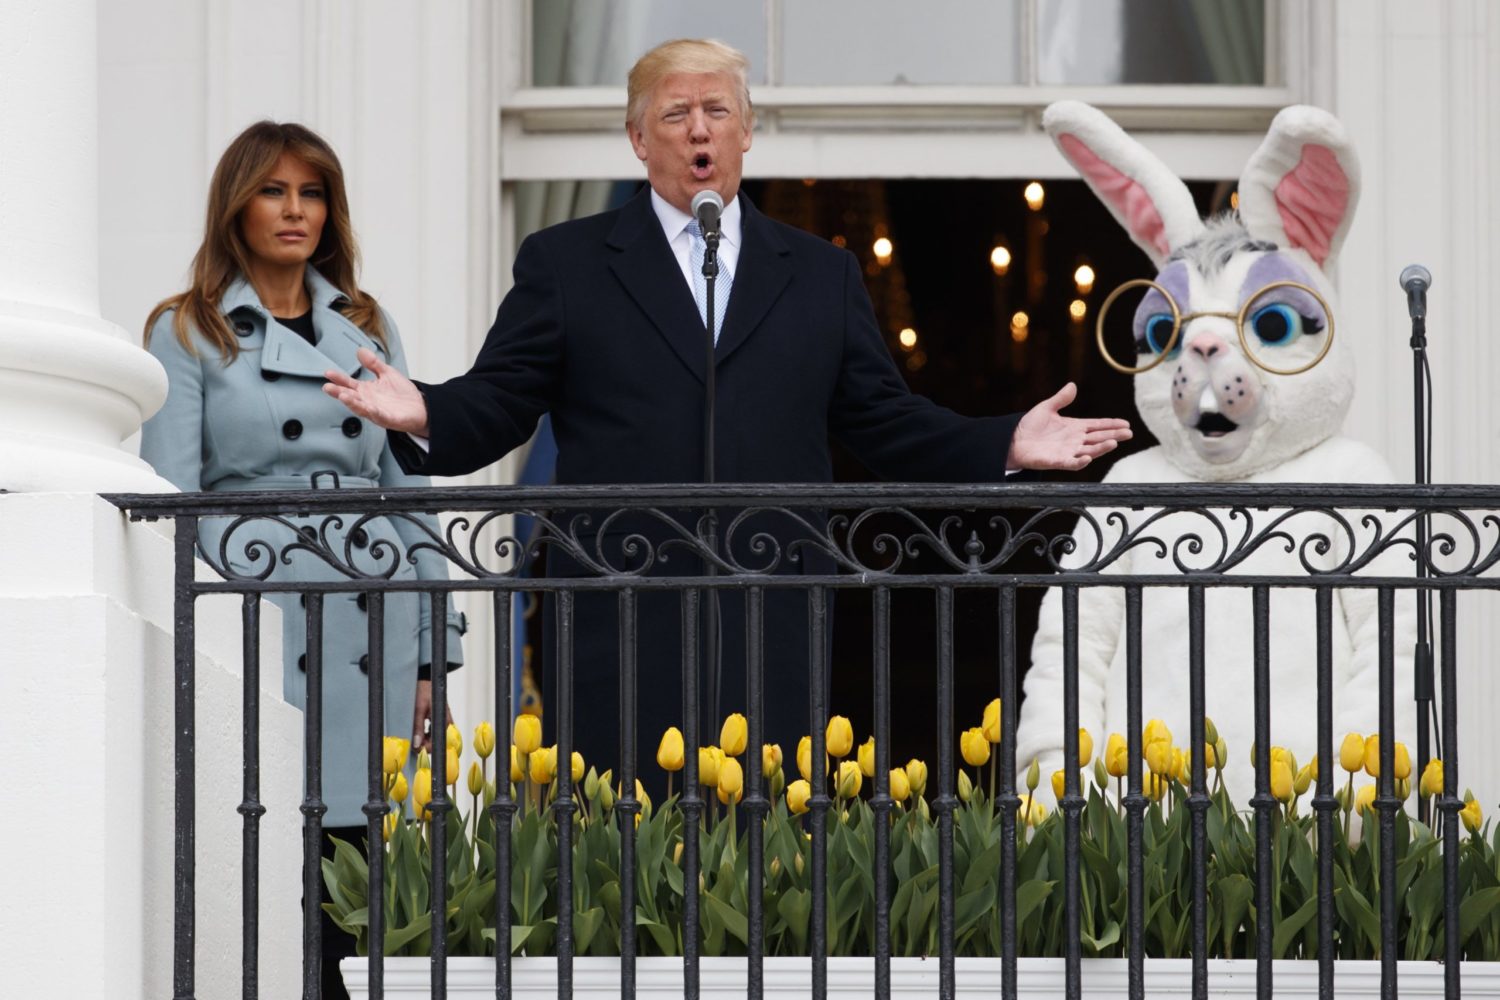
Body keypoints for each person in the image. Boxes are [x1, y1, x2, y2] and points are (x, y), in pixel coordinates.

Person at [324, 39, 1130, 787]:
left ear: (746, 133)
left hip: (771, 605)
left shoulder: (819, 275)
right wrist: (425, 410)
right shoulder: (567, 264)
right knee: (621, 846)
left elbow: (885, 421)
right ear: (638, 140)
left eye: (717, 111)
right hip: (621, 607)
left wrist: (1004, 442)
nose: (699, 130)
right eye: (676, 113)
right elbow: (501, 398)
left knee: (766, 841)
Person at [140, 121, 466, 999]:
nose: (295, 210)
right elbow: (172, 500)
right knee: (267, 849)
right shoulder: (189, 328)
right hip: (259, 611)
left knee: (371, 874)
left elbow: (410, 490)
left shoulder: (365, 326)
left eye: (312, 193)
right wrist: (198, 634)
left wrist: (434, 652)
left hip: (371, 609)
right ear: (236, 207)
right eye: (273, 191)